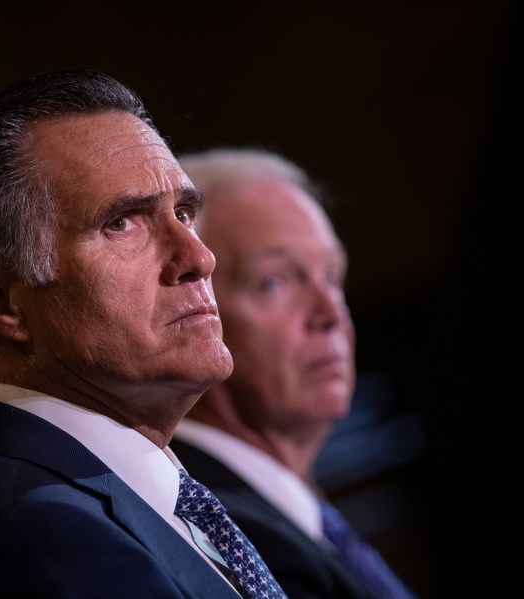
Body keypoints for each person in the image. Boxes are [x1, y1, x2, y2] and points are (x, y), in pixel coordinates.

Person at [0, 70, 287, 599]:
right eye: (122, 223)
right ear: (0, 303)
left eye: (183, 212)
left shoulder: (130, 499)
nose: (199, 258)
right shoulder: (43, 534)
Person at [171, 148, 418, 599]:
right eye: (274, 281)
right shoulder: (217, 539)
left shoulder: (302, 521)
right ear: (191, 310)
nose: (330, 314)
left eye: (331, 276)